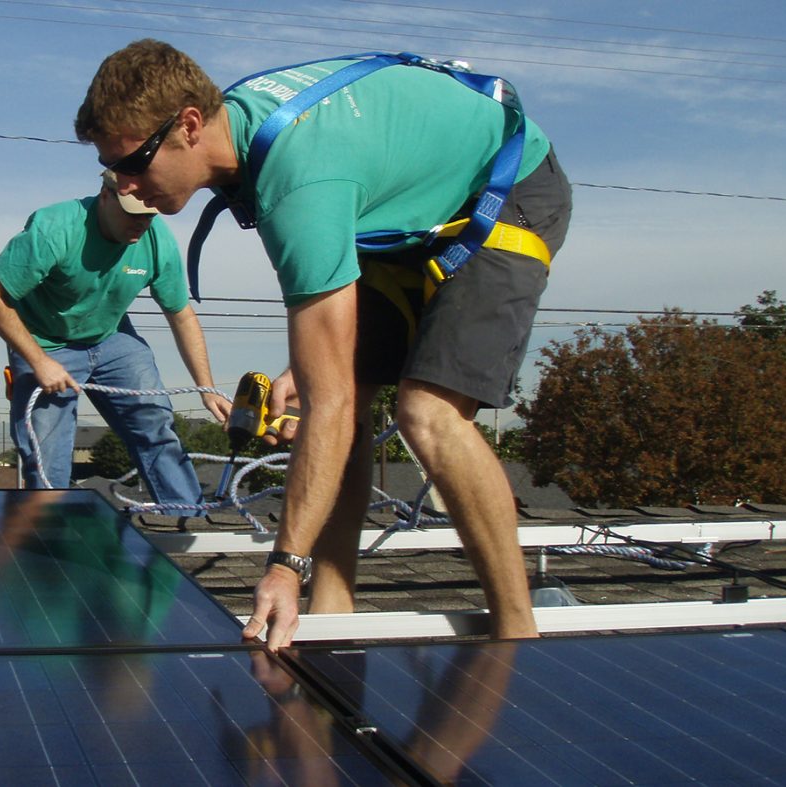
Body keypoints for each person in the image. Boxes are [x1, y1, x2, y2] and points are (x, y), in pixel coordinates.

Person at [75, 40, 572, 649]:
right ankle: (334, 609)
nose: (125, 186)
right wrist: (312, 369)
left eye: (134, 163)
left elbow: (329, 397)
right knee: (338, 399)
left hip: (505, 191)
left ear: (189, 125)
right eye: (111, 170)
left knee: (426, 412)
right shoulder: (240, 137)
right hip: (403, 209)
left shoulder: (298, 182)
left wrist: (284, 563)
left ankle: (518, 633)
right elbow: (331, 375)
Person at [0, 171, 231, 510]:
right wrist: (38, 361)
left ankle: (187, 519)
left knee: (154, 423)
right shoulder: (56, 230)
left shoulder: (157, 241)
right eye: (133, 213)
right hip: (45, 342)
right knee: (45, 450)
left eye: (149, 214)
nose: (141, 223)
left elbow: (181, 314)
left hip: (112, 338)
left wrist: (206, 386)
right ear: (105, 196)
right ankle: (49, 538)